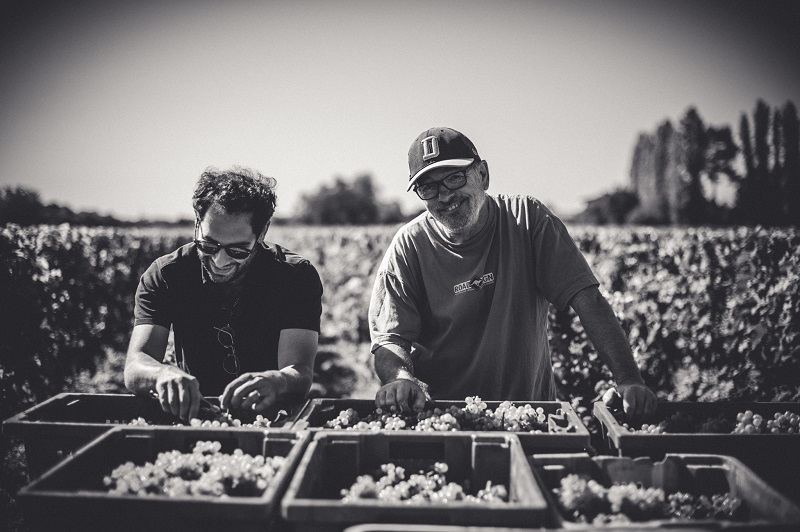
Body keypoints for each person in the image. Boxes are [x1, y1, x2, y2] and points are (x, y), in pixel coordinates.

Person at [369, 127, 657, 424]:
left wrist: (628, 378)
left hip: (529, 415)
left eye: (454, 178)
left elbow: (586, 298)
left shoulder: (528, 220)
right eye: (428, 187)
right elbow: (390, 337)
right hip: (443, 419)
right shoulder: (408, 247)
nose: (444, 196)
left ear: (482, 175)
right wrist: (400, 378)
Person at [124, 166, 322, 421]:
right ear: (197, 223)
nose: (219, 260)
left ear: (262, 233)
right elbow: (136, 363)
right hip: (194, 415)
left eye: (238, 250)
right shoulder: (166, 274)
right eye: (208, 245)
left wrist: (277, 381)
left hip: (271, 418)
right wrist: (161, 374)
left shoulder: (295, 277)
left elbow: (300, 371)